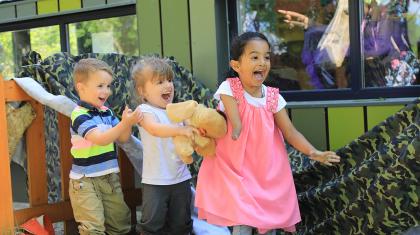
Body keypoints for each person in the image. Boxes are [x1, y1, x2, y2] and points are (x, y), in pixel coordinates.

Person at [195, 32, 341, 235]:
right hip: (236, 169)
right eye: (254, 57)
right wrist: (231, 127)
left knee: (269, 225)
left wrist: (313, 151)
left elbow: (290, 131)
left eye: (267, 56)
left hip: (267, 172)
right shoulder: (230, 88)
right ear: (236, 65)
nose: (262, 62)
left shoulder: (273, 97)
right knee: (242, 223)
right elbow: (229, 119)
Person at [69, 58, 143, 235]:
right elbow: (100, 139)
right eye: (100, 85)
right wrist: (123, 123)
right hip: (85, 182)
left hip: (109, 178)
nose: (106, 91)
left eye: (108, 86)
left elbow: (123, 138)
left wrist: (128, 123)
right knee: (93, 228)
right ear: (81, 87)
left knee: (120, 224)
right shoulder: (79, 115)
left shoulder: (107, 112)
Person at [131, 56, 198, 235]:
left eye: (169, 80)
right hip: (156, 181)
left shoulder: (176, 112)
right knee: (152, 224)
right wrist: (180, 130)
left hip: (180, 178)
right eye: (160, 82)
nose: (168, 85)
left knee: (181, 224)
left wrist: (196, 133)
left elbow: (190, 136)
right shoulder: (144, 111)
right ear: (142, 91)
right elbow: (155, 129)